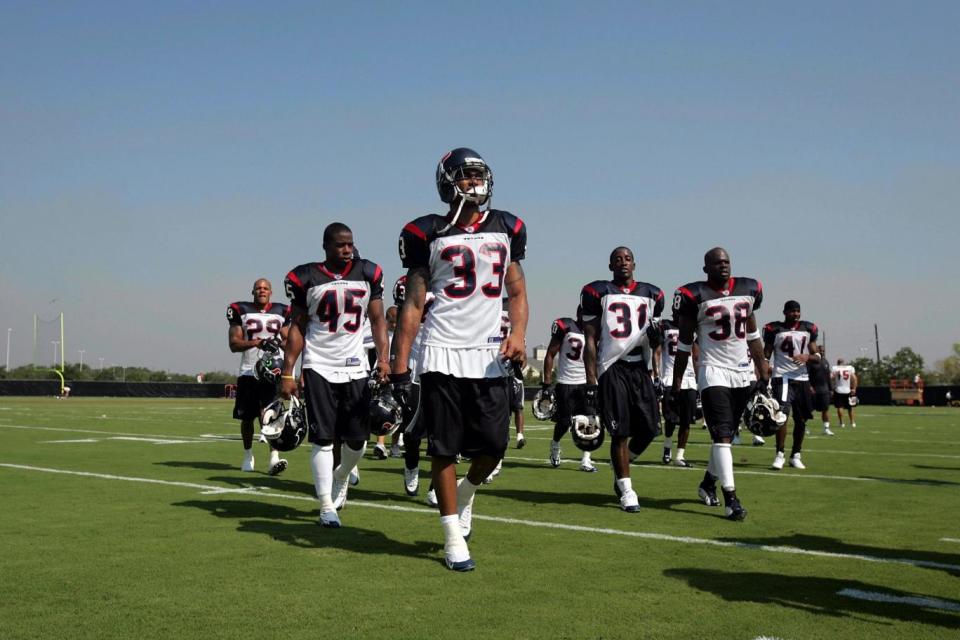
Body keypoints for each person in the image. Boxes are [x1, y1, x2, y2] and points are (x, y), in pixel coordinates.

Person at [390, 147, 528, 571]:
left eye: (478, 174)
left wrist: (519, 333)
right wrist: (398, 366)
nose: (474, 182)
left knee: (495, 445)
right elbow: (413, 304)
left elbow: (517, 291)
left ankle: (467, 492)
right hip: (441, 352)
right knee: (444, 448)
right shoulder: (425, 232)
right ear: (448, 182)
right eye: (466, 176)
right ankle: (453, 537)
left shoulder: (508, 225)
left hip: (488, 354)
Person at [280, 223, 390, 529]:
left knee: (358, 441)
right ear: (326, 246)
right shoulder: (306, 277)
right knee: (323, 440)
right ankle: (326, 505)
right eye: (341, 244)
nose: (348, 249)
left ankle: (341, 477)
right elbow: (298, 327)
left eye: (351, 244)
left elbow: (378, 319)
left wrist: (383, 358)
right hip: (319, 365)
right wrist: (289, 371)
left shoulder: (368, 273)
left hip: (356, 365)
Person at [668, 247, 766, 521]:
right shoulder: (693, 295)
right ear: (706, 268)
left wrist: (763, 370)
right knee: (722, 435)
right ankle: (731, 498)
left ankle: (708, 483)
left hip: (743, 372)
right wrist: (676, 384)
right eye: (717, 263)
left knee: (726, 437)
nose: (723, 266)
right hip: (713, 372)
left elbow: (754, 336)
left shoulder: (749, 288)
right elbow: (685, 345)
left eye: (726, 262)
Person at [581, 247, 664, 513]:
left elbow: (655, 341)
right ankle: (626, 488)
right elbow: (591, 340)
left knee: (650, 429)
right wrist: (592, 380)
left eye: (627, 259)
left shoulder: (652, 294)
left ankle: (620, 470)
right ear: (610, 266)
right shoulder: (598, 292)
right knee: (620, 432)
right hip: (612, 366)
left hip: (640, 367)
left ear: (634, 264)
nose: (623, 263)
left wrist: (656, 368)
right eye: (618, 259)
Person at [227, 279, 290, 475]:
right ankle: (248, 455)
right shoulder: (240, 309)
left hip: (273, 373)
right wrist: (257, 343)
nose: (261, 291)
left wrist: (278, 342)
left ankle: (274, 458)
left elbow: (289, 342)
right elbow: (234, 344)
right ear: (253, 291)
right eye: (258, 288)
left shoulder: (282, 311)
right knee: (247, 418)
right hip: (248, 371)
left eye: (265, 288)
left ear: (271, 292)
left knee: (272, 417)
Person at [763, 300, 822, 470]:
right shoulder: (774, 329)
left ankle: (796, 454)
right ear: (784, 312)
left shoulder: (808, 328)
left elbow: (817, 356)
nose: (795, 314)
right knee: (781, 417)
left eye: (798, 311)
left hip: (802, 379)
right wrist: (763, 375)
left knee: (801, 419)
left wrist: (807, 357)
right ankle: (779, 454)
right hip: (782, 378)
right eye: (792, 311)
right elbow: (766, 355)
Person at [542, 308, 596, 472]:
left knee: (589, 420)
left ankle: (586, 459)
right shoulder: (566, 326)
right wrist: (547, 384)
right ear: (579, 313)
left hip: (587, 383)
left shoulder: (595, 331)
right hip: (566, 382)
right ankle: (555, 444)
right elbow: (550, 354)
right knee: (564, 422)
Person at [657, 319, 696, 467]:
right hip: (669, 378)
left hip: (690, 379)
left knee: (686, 421)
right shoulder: (666, 326)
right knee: (671, 419)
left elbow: (697, 354)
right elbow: (657, 350)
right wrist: (656, 375)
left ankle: (680, 456)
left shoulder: (695, 325)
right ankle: (667, 447)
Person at [808, 345, 834, 435]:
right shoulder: (811, 362)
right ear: (816, 351)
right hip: (813, 390)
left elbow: (828, 377)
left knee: (825, 410)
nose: (822, 352)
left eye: (823, 351)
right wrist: (809, 386)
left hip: (824, 390)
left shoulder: (826, 361)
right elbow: (805, 375)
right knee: (808, 410)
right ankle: (804, 427)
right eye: (820, 350)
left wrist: (831, 389)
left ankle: (826, 429)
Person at [832, 358, 858, 428]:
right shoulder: (850, 368)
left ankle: (841, 423)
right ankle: (852, 423)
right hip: (849, 390)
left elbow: (831, 377)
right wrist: (854, 389)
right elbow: (854, 378)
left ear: (837, 363)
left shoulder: (835, 368)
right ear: (844, 363)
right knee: (851, 407)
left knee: (840, 407)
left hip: (838, 390)